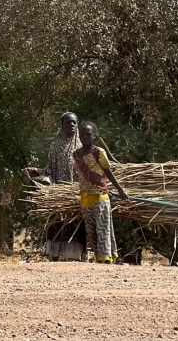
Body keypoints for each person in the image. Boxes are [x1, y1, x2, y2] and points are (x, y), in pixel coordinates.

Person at [27, 112, 87, 262]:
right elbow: (49, 171)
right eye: (68, 122)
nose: (71, 125)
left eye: (74, 122)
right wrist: (38, 173)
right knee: (57, 223)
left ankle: (75, 257)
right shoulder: (55, 146)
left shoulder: (83, 146)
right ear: (62, 126)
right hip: (58, 193)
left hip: (76, 193)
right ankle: (54, 256)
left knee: (76, 224)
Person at [74, 122, 128, 264]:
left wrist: (121, 191)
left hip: (100, 196)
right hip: (85, 197)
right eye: (82, 134)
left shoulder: (99, 152)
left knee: (103, 228)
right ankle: (99, 256)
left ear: (94, 136)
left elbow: (108, 173)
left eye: (88, 134)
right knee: (91, 230)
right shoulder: (76, 155)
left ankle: (106, 257)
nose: (85, 137)